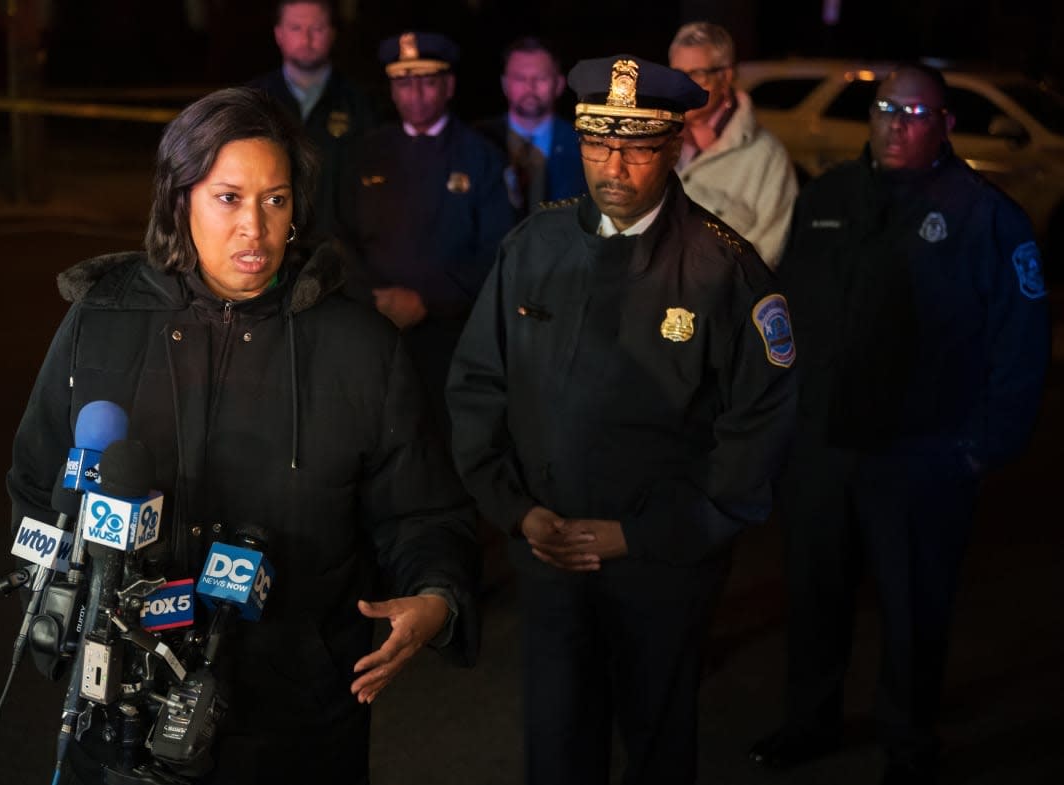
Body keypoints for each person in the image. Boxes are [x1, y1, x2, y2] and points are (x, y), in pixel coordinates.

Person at [7, 86, 479, 785]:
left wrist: (436, 595)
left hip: (296, 726)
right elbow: (34, 488)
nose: (255, 228)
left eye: (276, 199)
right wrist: (66, 630)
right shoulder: (100, 321)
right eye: (229, 197)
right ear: (180, 201)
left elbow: (421, 514)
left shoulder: (361, 348)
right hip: (122, 722)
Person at [447, 55, 798, 785]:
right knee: (557, 740)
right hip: (548, 559)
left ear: (673, 146)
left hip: (659, 568)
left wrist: (643, 533)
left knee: (657, 740)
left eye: (638, 146)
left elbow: (758, 427)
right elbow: (477, 385)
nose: (615, 165)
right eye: (599, 143)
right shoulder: (534, 247)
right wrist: (516, 512)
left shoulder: (721, 268)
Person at [748, 64, 1050, 784]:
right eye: (886, 109)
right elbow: (785, 316)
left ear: (943, 125)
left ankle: (910, 741)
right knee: (816, 594)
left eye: (915, 113)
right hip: (824, 449)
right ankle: (810, 721)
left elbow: (1021, 342)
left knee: (914, 610)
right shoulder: (828, 198)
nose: (896, 124)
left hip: (924, 453)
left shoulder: (985, 215)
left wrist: (983, 447)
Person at [338, 30, 514, 436]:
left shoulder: (481, 156)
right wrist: (372, 298)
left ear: (449, 86)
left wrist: (427, 301)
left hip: (452, 337)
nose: (415, 94)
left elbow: (497, 249)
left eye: (427, 81)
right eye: (403, 82)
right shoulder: (365, 154)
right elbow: (339, 237)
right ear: (391, 89)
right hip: (372, 330)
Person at [667, 22, 797, 268]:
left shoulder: (767, 157)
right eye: (677, 75)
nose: (681, 87)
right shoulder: (656, 141)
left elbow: (770, 251)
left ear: (725, 77)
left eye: (695, 74)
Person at [249, 0, 378, 237]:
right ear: (279, 34)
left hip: (340, 250)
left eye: (317, 29)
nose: (307, 39)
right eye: (296, 28)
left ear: (332, 34)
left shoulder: (359, 102)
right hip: (269, 240)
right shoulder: (253, 100)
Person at [476, 36, 587, 220]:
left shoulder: (583, 145)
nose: (530, 87)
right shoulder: (477, 142)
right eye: (520, 78)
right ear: (505, 84)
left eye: (540, 78)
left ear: (559, 84)